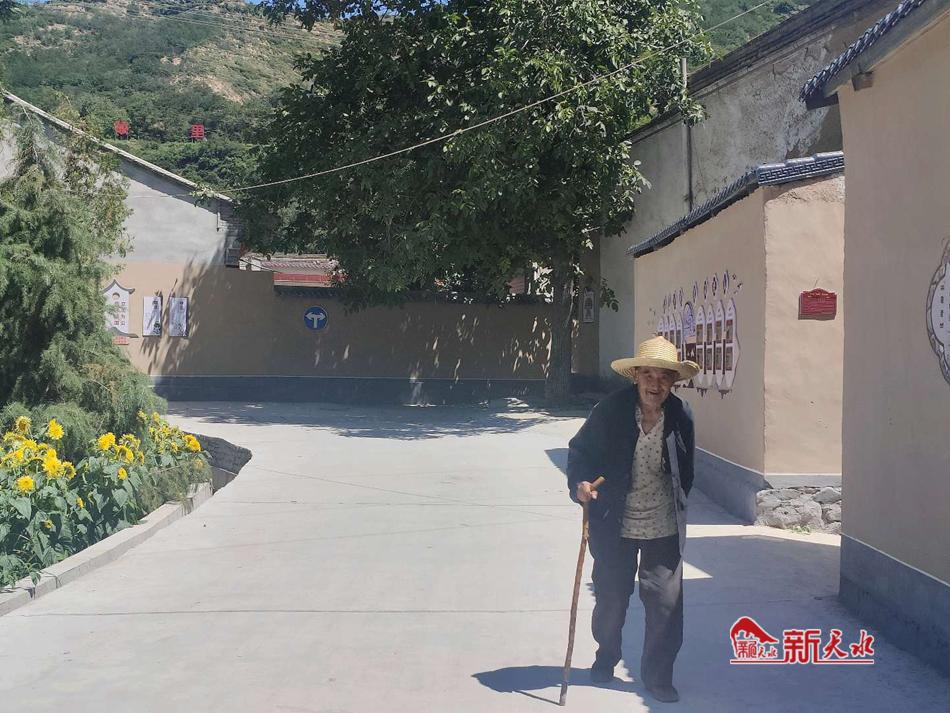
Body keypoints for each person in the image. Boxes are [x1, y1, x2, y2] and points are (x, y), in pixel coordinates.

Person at [567, 336, 698, 703]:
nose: (656, 384)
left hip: (663, 525)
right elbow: (579, 452)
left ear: (673, 382)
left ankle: (658, 676)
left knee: (665, 604)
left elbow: (686, 472)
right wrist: (580, 485)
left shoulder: (681, 415)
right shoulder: (610, 411)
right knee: (611, 601)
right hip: (615, 523)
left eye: (664, 377)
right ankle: (606, 655)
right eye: (649, 375)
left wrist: (676, 504)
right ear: (636, 376)